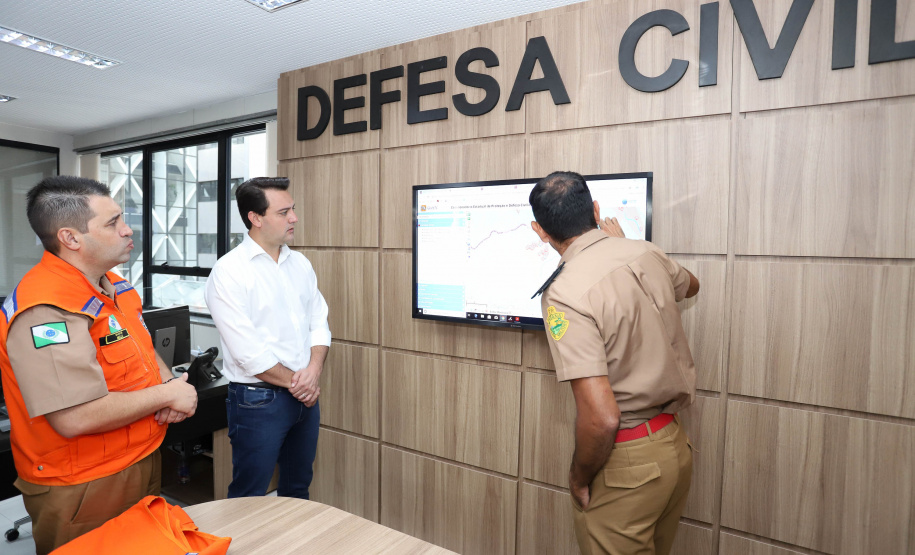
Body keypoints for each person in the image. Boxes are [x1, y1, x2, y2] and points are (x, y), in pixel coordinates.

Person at [0, 176, 198, 554]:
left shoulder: (113, 285)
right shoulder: (47, 311)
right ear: (71, 239)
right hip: (84, 483)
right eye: (113, 222)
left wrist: (167, 384)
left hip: (138, 457)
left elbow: (143, 344)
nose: (128, 230)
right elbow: (74, 417)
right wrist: (167, 393)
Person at [529, 171, 700, 555]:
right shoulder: (643, 251)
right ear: (594, 209)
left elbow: (602, 417)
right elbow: (691, 285)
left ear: (540, 231)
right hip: (673, 447)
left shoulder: (565, 293)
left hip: (628, 466)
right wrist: (627, 250)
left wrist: (578, 477)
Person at [204, 176, 330, 499]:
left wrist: (313, 373)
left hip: (304, 397)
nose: (294, 218)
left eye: (293, 210)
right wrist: (300, 384)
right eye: (284, 212)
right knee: (249, 494)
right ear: (255, 218)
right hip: (257, 401)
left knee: (297, 487)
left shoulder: (299, 263)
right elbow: (248, 353)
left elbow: (319, 321)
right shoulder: (228, 272)